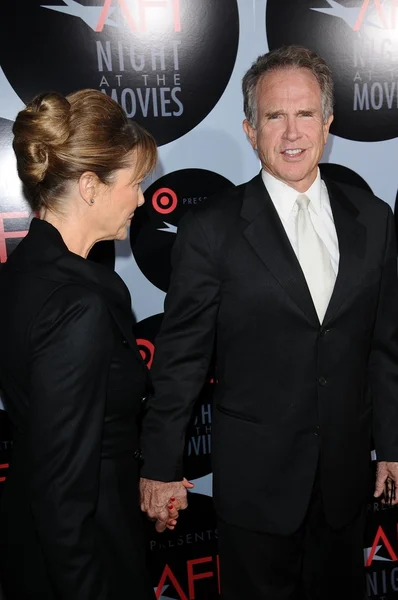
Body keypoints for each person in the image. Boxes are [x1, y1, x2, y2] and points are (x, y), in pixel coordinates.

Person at [139, 46, 398, 599]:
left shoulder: (373, 220)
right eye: (274, 116)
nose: (291, 132)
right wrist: (161, 467)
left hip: (344, 482)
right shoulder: (212, 228)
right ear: (250, 130)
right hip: (257, 488)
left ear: (327, 124)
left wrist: (392, 449)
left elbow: (385, 348)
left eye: (305, 114)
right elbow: (181, 359)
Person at [0, 89, 178, 600]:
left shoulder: (26, 272)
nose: (143, 199)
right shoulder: (78, 304)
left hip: (43, 529)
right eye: (135, 183)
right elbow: (64, 489)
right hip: (82, 551)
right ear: (90, 186)